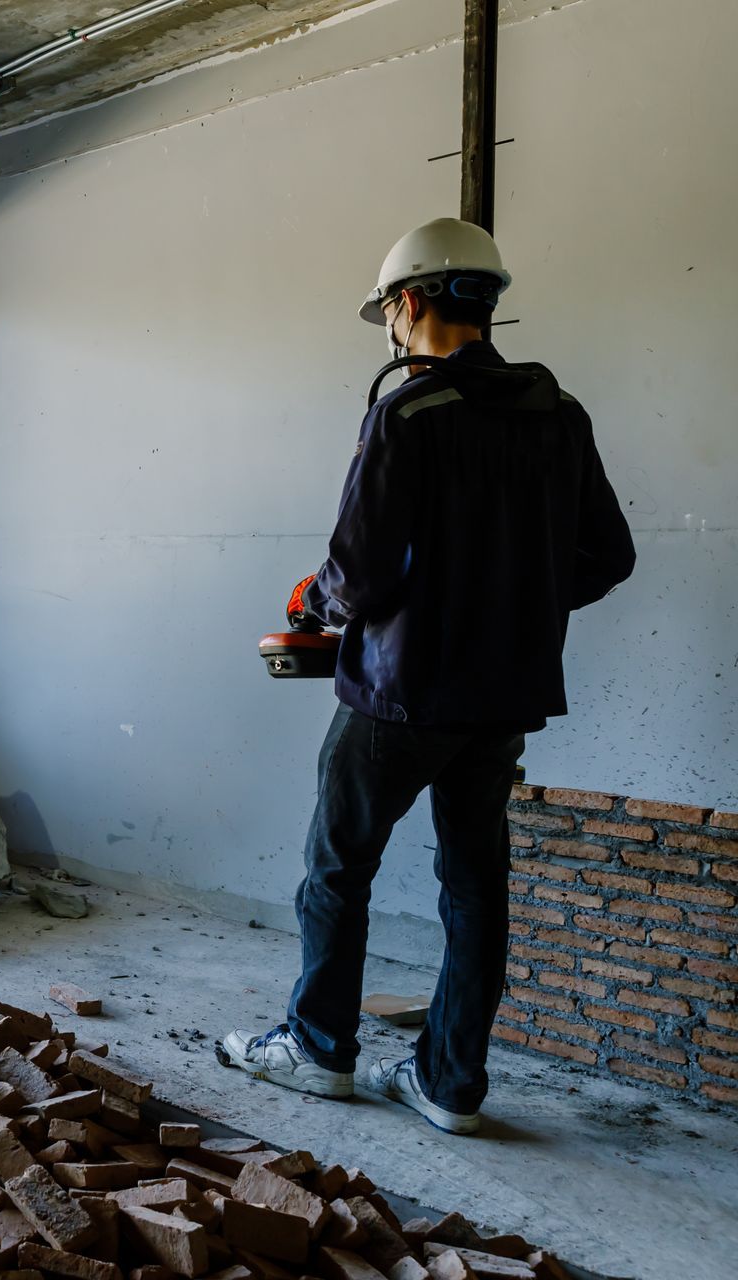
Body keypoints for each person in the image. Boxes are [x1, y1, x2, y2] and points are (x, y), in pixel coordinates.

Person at [219, 218, 636, 1135]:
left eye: (392, 315)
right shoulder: (561, 416)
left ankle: (319, 1051)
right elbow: (609, 556)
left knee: (337, 868)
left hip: (399, 697)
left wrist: (317, 606)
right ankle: (451, 1084)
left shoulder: (406, 411)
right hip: (504, 699)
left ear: (409, 303)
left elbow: (358, 575)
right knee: (476, 883)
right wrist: (514, 600)